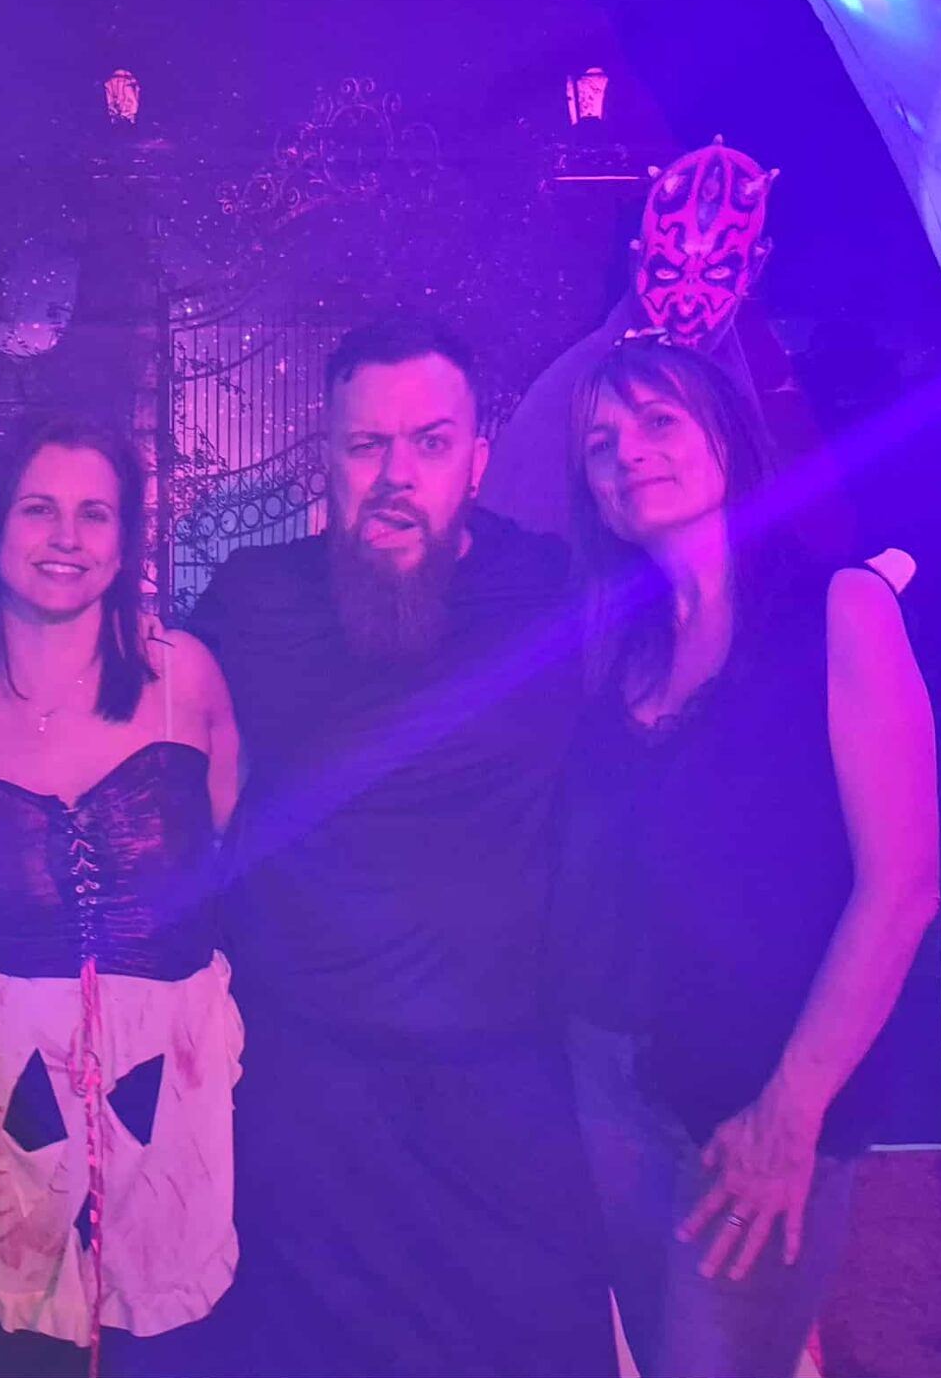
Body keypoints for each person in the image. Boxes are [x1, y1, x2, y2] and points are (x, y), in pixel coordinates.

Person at [175, 316, 613, 1376]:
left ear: (477, 458)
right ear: (326, 457)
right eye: (366, 445)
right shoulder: (253, 599)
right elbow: (131, 737)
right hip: (304, 1098)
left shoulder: (551, 591)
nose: (396, 476)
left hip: (499, 1094)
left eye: (429, 443)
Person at [552, 339, 939, 1377]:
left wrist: (790, 1110)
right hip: (610, 1080)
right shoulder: (617, 646)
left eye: (658, 422)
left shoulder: (840, 609)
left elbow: (902, 886)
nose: (629, 453)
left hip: (761, 1096)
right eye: (601, 445)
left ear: (726, 437)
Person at [0, 418, 243, 1371]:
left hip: (175, 1094)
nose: (67, 536)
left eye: (96, 513)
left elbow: (227, 838)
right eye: (39, 508)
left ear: (125, 542)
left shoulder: (186, 679)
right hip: (4, 1102)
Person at [484, 138, 847, 557]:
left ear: (752, 269)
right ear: (638, 263)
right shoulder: (572, 392)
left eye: (716, 273)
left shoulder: (760, 399)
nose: (688, 301)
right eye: (669, 272)